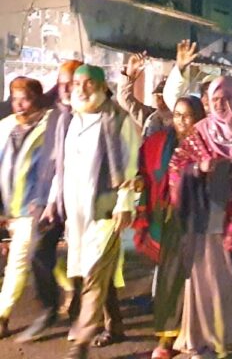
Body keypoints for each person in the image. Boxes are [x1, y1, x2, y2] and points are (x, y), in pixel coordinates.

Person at [45, 64, 139, 359]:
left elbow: (130, 166)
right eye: (77, 83)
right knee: (90, 271)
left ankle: (82, 340)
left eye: (88, 83)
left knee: (94, 274)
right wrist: (52, 202)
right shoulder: (71, 120)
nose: (82, 89)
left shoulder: (119, 121)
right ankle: (115, 324)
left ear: (102, 86)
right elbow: (62, 168)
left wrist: (124, 203)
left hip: (105, 213)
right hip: (76, 215)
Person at [167, 77, 232, 358]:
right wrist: (198, 168)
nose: (220, 104)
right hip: (206, 216)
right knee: (206, 281)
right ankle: (205, 339)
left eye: (226, 98)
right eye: (215, 99)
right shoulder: (200, 132)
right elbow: (176, 167)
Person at [130, 95, 206, 359]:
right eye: (177, 115)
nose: (182, 121)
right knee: (169, 279)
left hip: (202, 220)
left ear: (199, 117)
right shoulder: (160, 142)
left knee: (200, 280)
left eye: (188, 115)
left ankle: (196, 339)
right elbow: (142, 167)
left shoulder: (210, 142)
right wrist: (140, 181)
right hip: (171, 219)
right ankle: (166, 339)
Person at [16, 60, 83, 343]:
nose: (65, 89)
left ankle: (84, 316)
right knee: (38, 253)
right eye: (62, 83)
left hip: (81, 198)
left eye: (72, 83)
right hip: (50, 199)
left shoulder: (93, 115)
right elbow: (49, 160)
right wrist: (40, 196)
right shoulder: (55, 114)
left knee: (82, 261)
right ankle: (48, 309)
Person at [0, 77, 51, 338]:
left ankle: (2, 314)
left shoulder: (50, 126)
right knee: (40, 258)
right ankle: (68, 289)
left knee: (17, 261)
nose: (19, 105)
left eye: (26, 99)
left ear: (37, 99)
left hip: (35, 209)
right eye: (15, 99)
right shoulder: (6, 127)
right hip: (11, 209)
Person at [119, 51, 173, 138]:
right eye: (157, 96)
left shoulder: (180, 120)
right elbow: (125, 99)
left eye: (164, 97)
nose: (160, 101)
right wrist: (129, 73)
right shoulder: (148, 116)